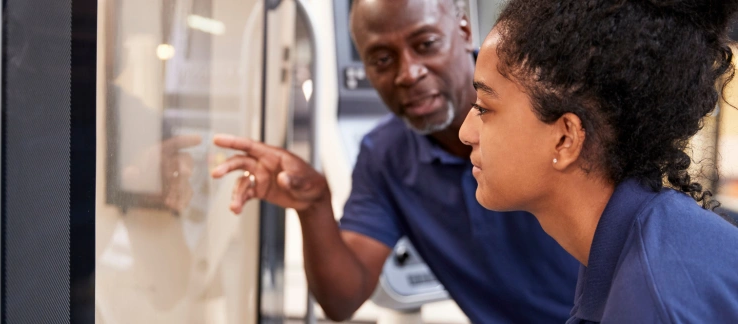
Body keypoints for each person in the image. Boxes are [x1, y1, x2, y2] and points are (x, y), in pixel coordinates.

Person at [212, 0, 578, 322]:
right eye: (382, 59)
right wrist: (314, 206)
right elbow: (342, 300)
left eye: (426, 44)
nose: (408, 73)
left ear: (464, 30)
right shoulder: (386, 156)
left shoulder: (547, 102)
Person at [459, 0, 738, 322]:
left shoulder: (651, 299)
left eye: (484, 108)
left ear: (565, 139)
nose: (467, 132)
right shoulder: (641, 242)